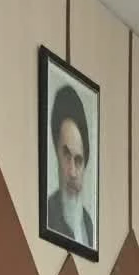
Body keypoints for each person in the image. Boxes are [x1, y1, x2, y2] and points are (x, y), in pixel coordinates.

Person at [45, 85, 95, 249]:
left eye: (78, 160)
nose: (72, 172)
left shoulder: (89, 224)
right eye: (67, 157)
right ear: (56, 153)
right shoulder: (48, 214)